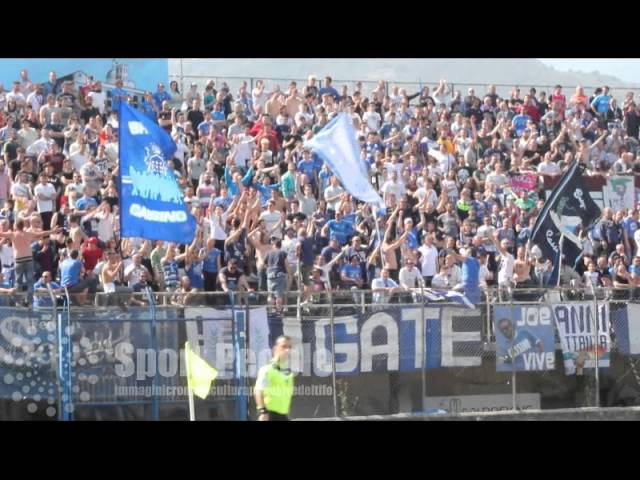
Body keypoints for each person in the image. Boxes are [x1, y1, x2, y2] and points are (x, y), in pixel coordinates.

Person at [254, 335, 294, 421]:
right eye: (284, 346)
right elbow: (259, 390)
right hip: (270, 415)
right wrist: (263, 412)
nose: (287, 350)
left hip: (283, 416)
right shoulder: (268, 370)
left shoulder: (287, 373)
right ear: (275, 349)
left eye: (289, 347)